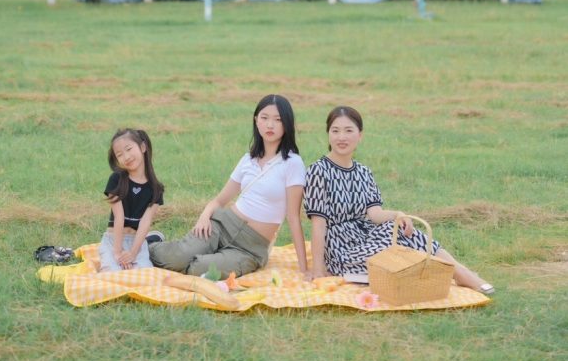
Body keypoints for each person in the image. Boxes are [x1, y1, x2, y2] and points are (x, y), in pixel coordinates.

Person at [304, 106, 494, 294]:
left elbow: (375, 214)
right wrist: (318, 268)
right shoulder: (318, 171)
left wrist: (399, 215)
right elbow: (318, 226)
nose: (341, 137)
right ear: (328, 134)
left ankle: (458, 271)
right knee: (390, 252)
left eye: (348, 130)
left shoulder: (363, 172)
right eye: (335, 131)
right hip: (341, 248)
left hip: (364, 236)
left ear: (360, 135)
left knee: (402, 231)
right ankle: (457, 273)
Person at [150, 94, 308, 278]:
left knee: (201, 269)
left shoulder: (293, 163)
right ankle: (151, 245)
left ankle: (198, 256)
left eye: (278, 119)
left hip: (250, 248)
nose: (270, 125)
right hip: (222, 225)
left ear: (287, 124)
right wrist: (204, 217)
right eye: (264, 118)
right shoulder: (248, 159)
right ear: (256, 121)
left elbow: (294, 217)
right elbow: (220, 200)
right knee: (176, 258)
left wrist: (304, 268)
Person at [99, 128, 165, 273]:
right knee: (112, 274)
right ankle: (152, 239)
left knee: (145, 276)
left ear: (142, 147)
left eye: (129, 149)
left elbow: (145, 222)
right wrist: (118, 252)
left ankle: (150, 239)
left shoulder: (156, 189)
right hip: (114, 240)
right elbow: (119, 217)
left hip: (137, 243)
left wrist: (133, 253)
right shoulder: (116, 179)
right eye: (120, 155)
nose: (126, 157)